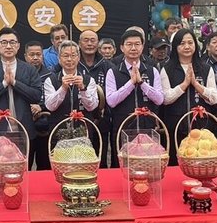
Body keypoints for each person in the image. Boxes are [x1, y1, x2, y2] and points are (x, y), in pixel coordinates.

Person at [0, 28, 43, 163]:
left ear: (18, 45)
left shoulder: (29, 69)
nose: (8, 46)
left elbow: (36, 95)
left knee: (24, 170)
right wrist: (3, 84)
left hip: (23, 129)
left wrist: (14, 83)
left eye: (12, 42)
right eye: (4, 42)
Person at [160, 29, 217, 165]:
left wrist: (197, 85)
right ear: (175, 47)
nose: (187, 46)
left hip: (201, 128)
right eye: (182, 43)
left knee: (200, 164)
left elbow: (215, 98)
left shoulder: (205, 68)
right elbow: (165, 99)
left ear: (195, 45)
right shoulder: (167, 69)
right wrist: (184, 84)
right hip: (175, 126)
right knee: (176, 164)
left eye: (190, 43)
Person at [105, 29, 164, 152]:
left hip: (148, 128)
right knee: (122, 166)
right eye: (129, 44)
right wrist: (131, 83)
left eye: (137, 44)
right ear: (122, 47)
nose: (133, 48)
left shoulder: (152, 70)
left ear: (142, 47)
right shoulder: (113, 72)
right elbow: (111, 101)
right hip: (123, 128)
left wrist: (142, 83)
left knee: (148, 165)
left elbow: (159, 99)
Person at [43, 40, 99, 131]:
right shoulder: (50, 80)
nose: (69, 59)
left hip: (83, 129)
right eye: (65, 56)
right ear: (59, 58)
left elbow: (92, 106)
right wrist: (63, 88)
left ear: (78, 57)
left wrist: (83, 89)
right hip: (59, 130)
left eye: (73, 55)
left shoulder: (89, 80)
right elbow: (50, 106)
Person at [77, 30, 112, 167]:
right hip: (80, 119)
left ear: (98, 43)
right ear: (79, 43)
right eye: (86, 40)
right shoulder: (74, 63)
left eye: (93, 40)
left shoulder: (107, 65)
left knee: (101, 158)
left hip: (102, 119)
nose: (89, 43)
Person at [24, 40, 52, 170]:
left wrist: (41, 106)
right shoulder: (19, 74)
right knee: (25, 165)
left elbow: (53, 99)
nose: (35, 58)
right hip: (25, 126)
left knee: (45, 166)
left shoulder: (51, 76)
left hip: (45, 127)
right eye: (32, 54)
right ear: (25, 56)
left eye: (38, 54)